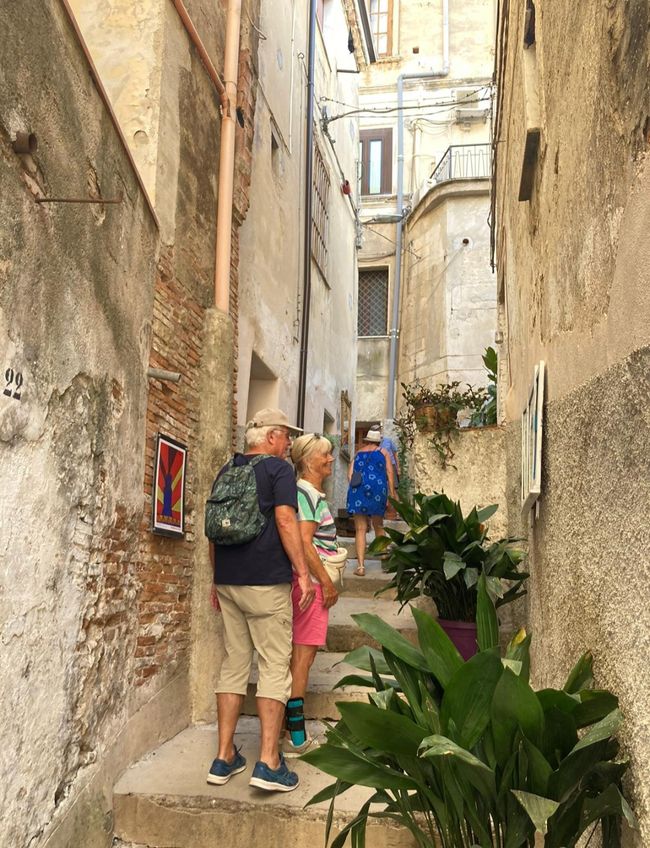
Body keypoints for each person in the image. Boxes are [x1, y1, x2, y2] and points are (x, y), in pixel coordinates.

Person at [207, 408, 315, 793]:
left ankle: (224, 757)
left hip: (229, 581)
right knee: (273, 665)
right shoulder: (278, 470)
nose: (288, 443)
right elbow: (286, 521)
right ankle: (269, 762)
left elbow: (213, 529)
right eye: (285, 436)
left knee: (234, 663)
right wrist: (302, 572)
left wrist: (216, 578)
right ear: (270, 437)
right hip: (266, 582)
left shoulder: (227, 471)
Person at [283, 434, 340, 757]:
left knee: (302, 657)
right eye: (325, 455)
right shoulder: (306, 494)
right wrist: (325, 583)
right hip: (312, 585)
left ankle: (288, 728)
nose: (331, 459)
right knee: (302, 658)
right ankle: (296, 736)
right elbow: (305, 543)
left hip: (311, 582)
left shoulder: (309, 493)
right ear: (308, 461)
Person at [346, 428, 396, 576]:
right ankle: (385, 562)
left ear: (367, 440)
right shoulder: (383, 452)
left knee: (360, 529)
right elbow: (389, 472)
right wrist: (391, 492)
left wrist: (359, 488)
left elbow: (350, 475)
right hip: (377, 490)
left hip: (358, 491)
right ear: (378, 441)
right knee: (378, 526)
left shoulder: (358, 453)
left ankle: (360, 567)